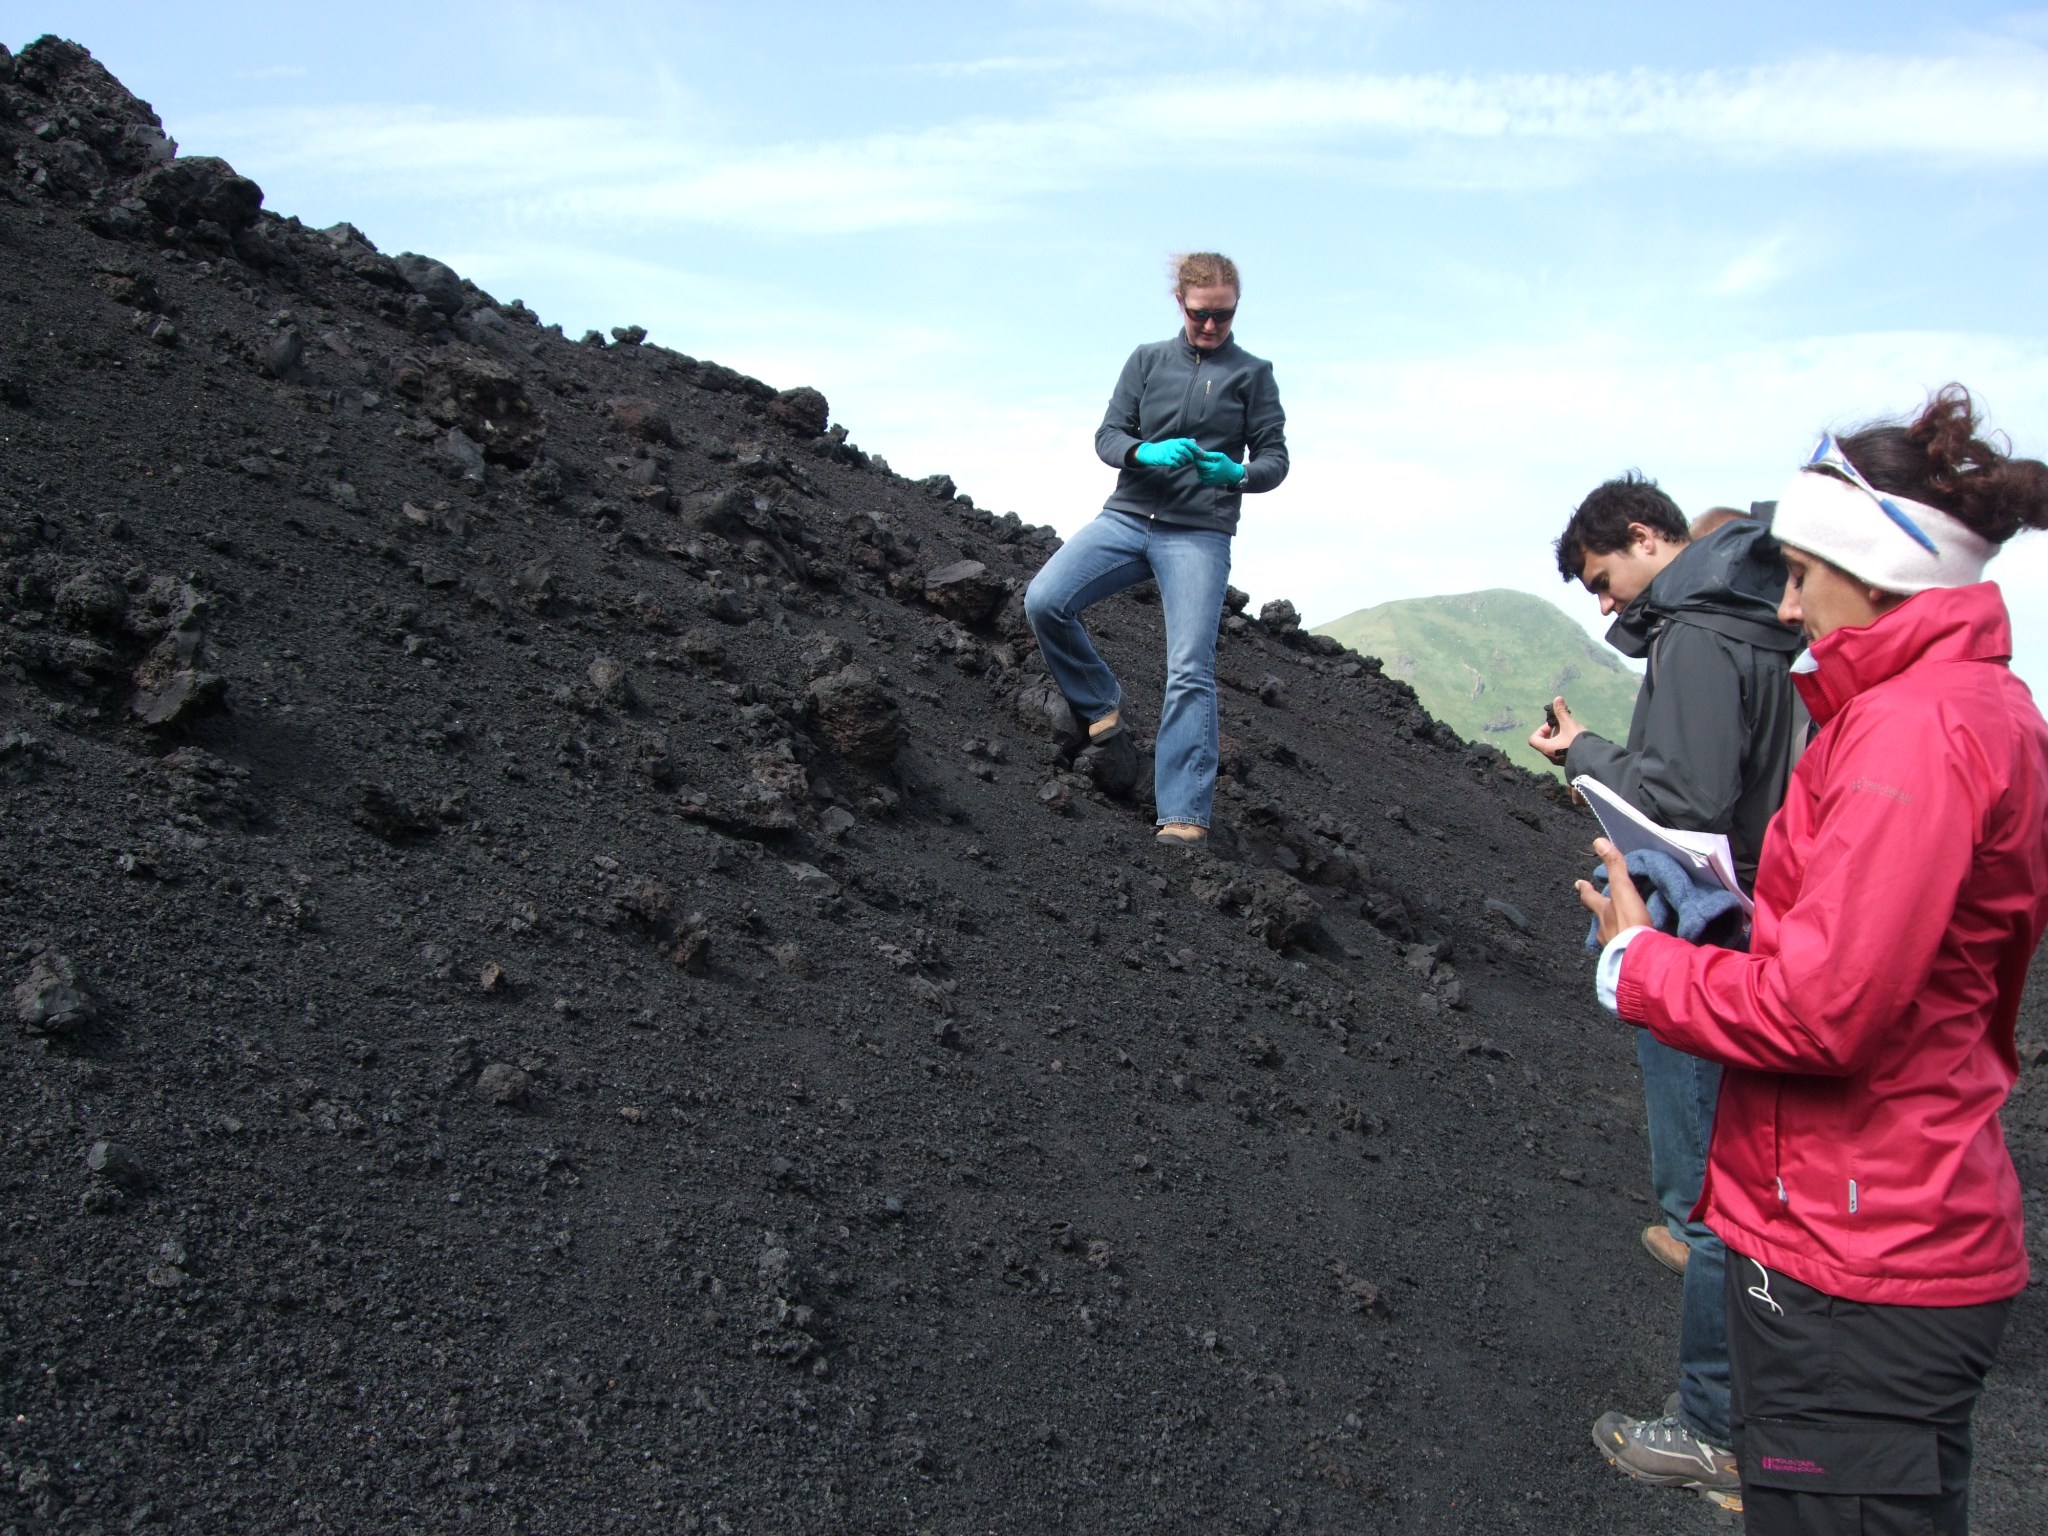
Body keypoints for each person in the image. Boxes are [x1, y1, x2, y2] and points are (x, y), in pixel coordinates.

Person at [1580, 385, 2048, 1533]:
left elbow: (1821, 1012)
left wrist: (1634, 963)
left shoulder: (1909, 736)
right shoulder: (1956, 711)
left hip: (1853, 1248)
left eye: (1798, 572)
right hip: (1875, 1219)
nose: (1785, 606)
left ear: (1867, 564)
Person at [1529, 472, 1803, 1504]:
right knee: (1733, 1185)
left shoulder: (1695, 634)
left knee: (1711, 1203)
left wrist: (1589, 758)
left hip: (1706, 935)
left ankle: (1713, 1430)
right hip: (1763, 921)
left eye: (1603, 581)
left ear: (1648, 538)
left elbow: (1687, 804)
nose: (1603, 607)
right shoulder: (1759, 624)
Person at [1024, 252, 1288, 845]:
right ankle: (1100, 705)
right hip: (1126, 518)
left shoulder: (1253, 374)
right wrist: (1143, 453)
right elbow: (1108, 435)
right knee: (1045, 599)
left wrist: (1237, 473)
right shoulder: (1147, 361)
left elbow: (1276, 459)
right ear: (1181, 304)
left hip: (1198, 533)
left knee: (1189, 667)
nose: (1212, 327)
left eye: (1223, 315)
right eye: (1201, 315)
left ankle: (1183, 812)